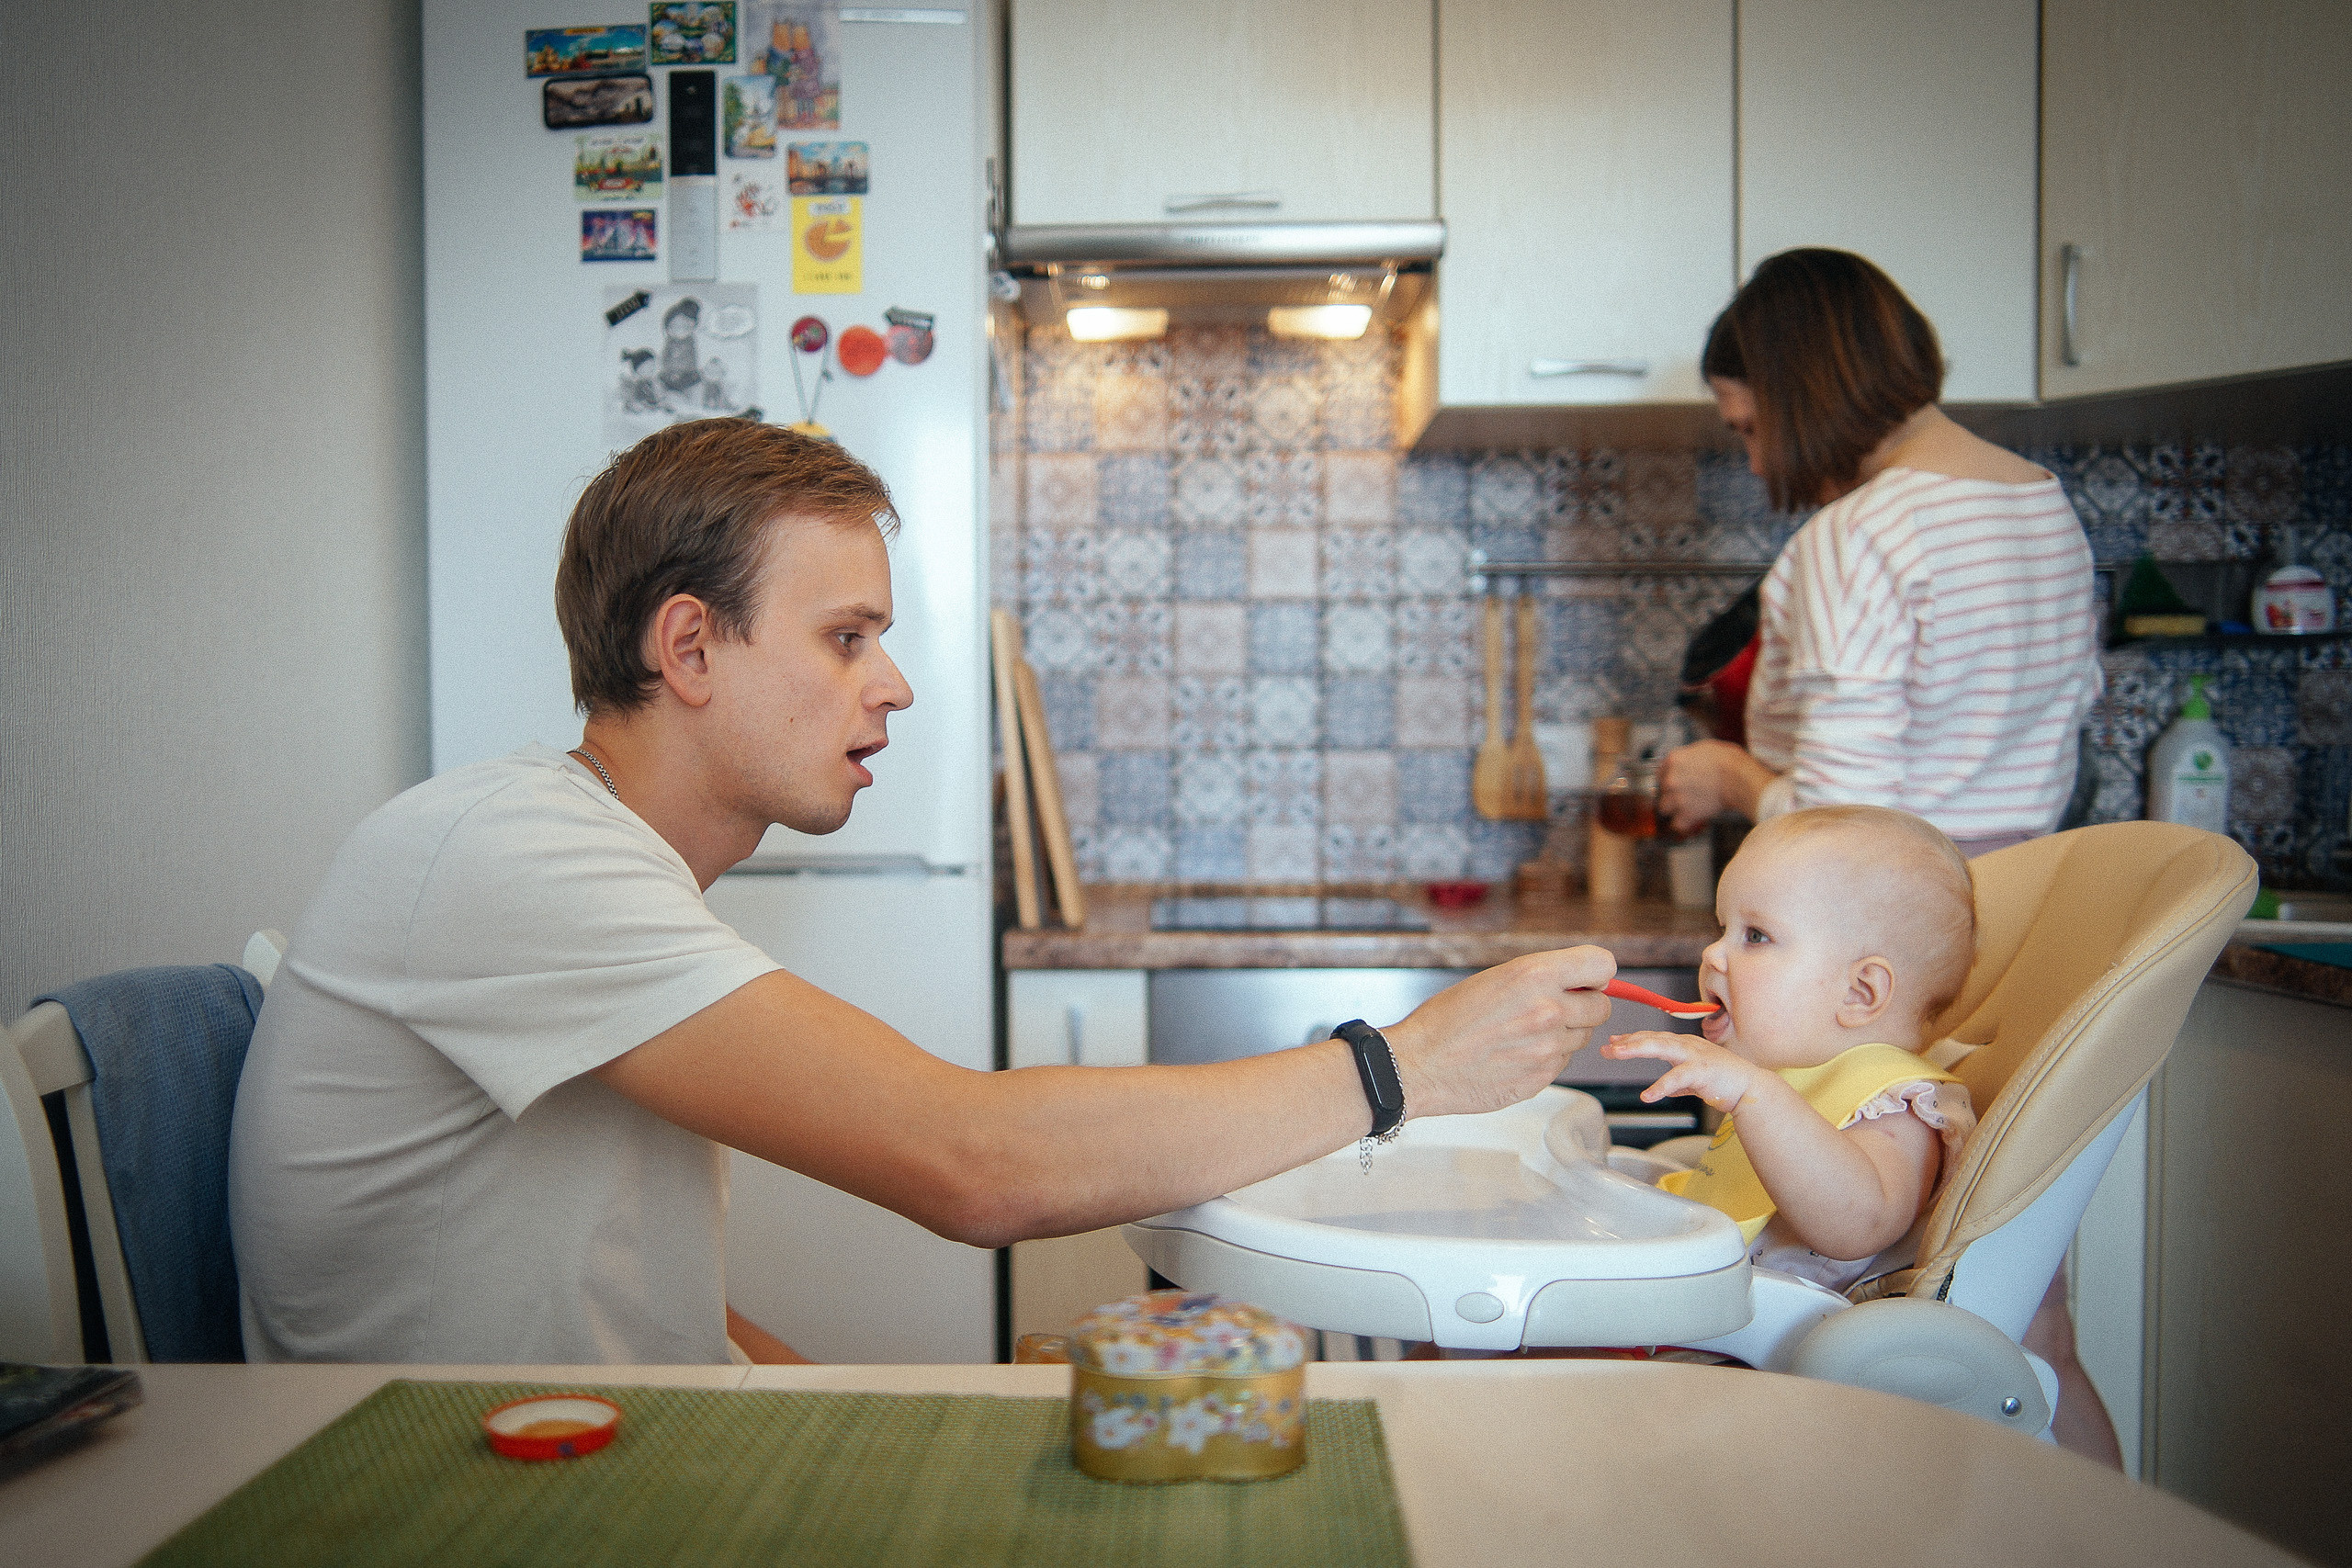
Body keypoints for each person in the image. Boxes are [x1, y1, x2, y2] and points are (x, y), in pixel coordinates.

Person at [226, 419, 1618, 1366]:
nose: (891, 683)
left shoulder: (578, 864)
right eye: (846, 637)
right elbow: (972, 1159)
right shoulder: (508, 855)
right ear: (689, 645)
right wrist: (1410, 1063)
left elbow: (651, 1315)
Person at [1655, 248, 2116, 1464]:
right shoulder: (2044, 507)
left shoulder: (1857, 533)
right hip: (2008, 940)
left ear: (1804, 387)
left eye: (1751, 425)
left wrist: (1730, 777)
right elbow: (2066, 721)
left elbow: (1844, 812)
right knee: (2019, 1324)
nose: (1756, 460)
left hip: (1877, 944)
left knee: (1869, 1289)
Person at [1603, 807, 1977, 1292]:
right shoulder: (1794, 1073)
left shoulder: (1895, 1104)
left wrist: (1752, 1094)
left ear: (1859, 993)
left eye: (1755, 936)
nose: (1711, 954)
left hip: (1753, 1351)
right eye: (1722, 930)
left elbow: (1859, 1225)